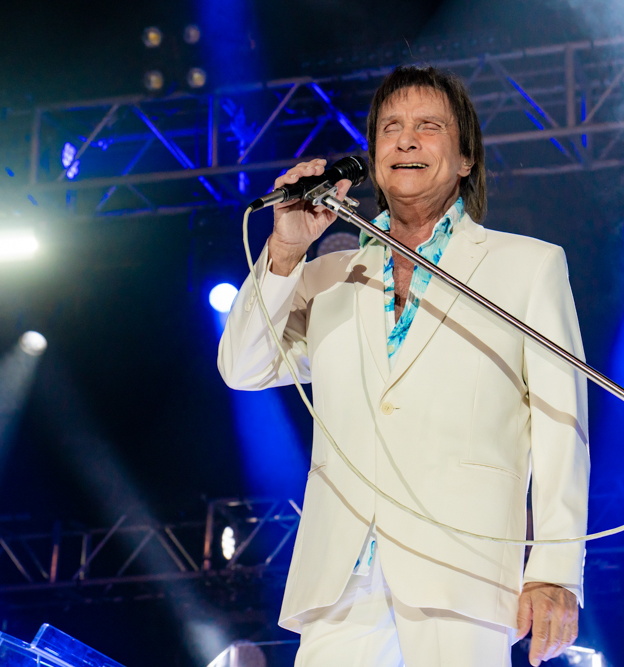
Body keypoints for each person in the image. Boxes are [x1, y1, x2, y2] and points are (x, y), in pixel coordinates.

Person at [218, 65, 589, 667]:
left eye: (428, 126)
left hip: (463, 574)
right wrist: (286, 247)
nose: (406, 140)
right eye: (390, 128)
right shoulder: (327, 276)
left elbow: (561, 427)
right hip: (339, 581)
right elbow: (241, 366)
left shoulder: (527, 266)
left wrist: (554, 570)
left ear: (466, 159)